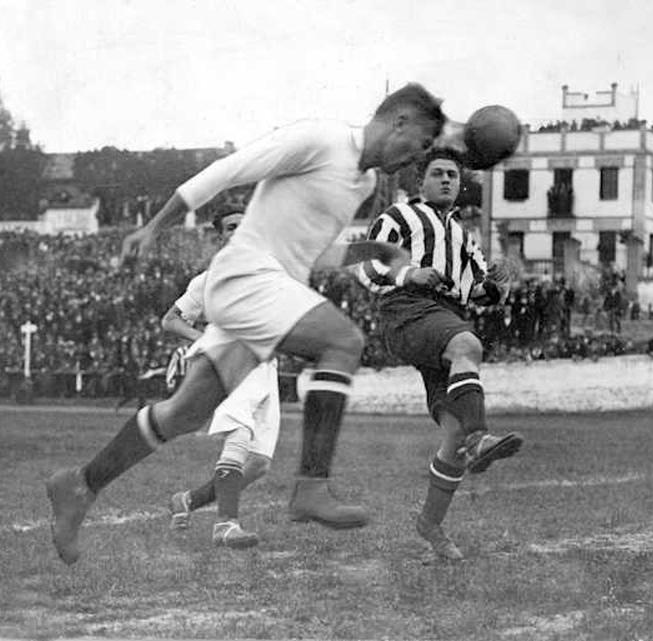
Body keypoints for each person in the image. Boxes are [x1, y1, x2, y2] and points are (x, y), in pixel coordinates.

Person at [45, 83, 461, 565]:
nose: (418, 157)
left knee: (182, 414)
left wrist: (376, 251)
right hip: (245, 276)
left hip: (266, 290)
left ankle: (80, 484)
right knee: (344, 342)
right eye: (422, 144)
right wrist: (153, 226)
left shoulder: (362, 184)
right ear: (400, 122)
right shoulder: (321, 139)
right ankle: (311, 486)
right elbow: (228, 170)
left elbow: (311, 252)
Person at [355, 147, 523, 562]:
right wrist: (410, 272)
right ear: (420, 182)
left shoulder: (465, 237)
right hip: (405, 310)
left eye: (453, 174)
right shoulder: (399, 217)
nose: (447, 180)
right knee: (468, 345)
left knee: (451, 430)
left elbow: (475, 291)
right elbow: (366, 265)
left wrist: (498, 287)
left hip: (442, 315)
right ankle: (481, 437)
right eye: (438, 173)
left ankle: (430, 524)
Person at [162, 206, 281, 549]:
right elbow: (170, 319)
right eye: (231, 227)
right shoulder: (207, 280)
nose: (239, 231)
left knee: (258, 463)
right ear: (221, 236)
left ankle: (187, 501)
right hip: (229, 360)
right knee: (239, 430)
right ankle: (226, 524)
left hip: (265, 366)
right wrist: (203, 339)